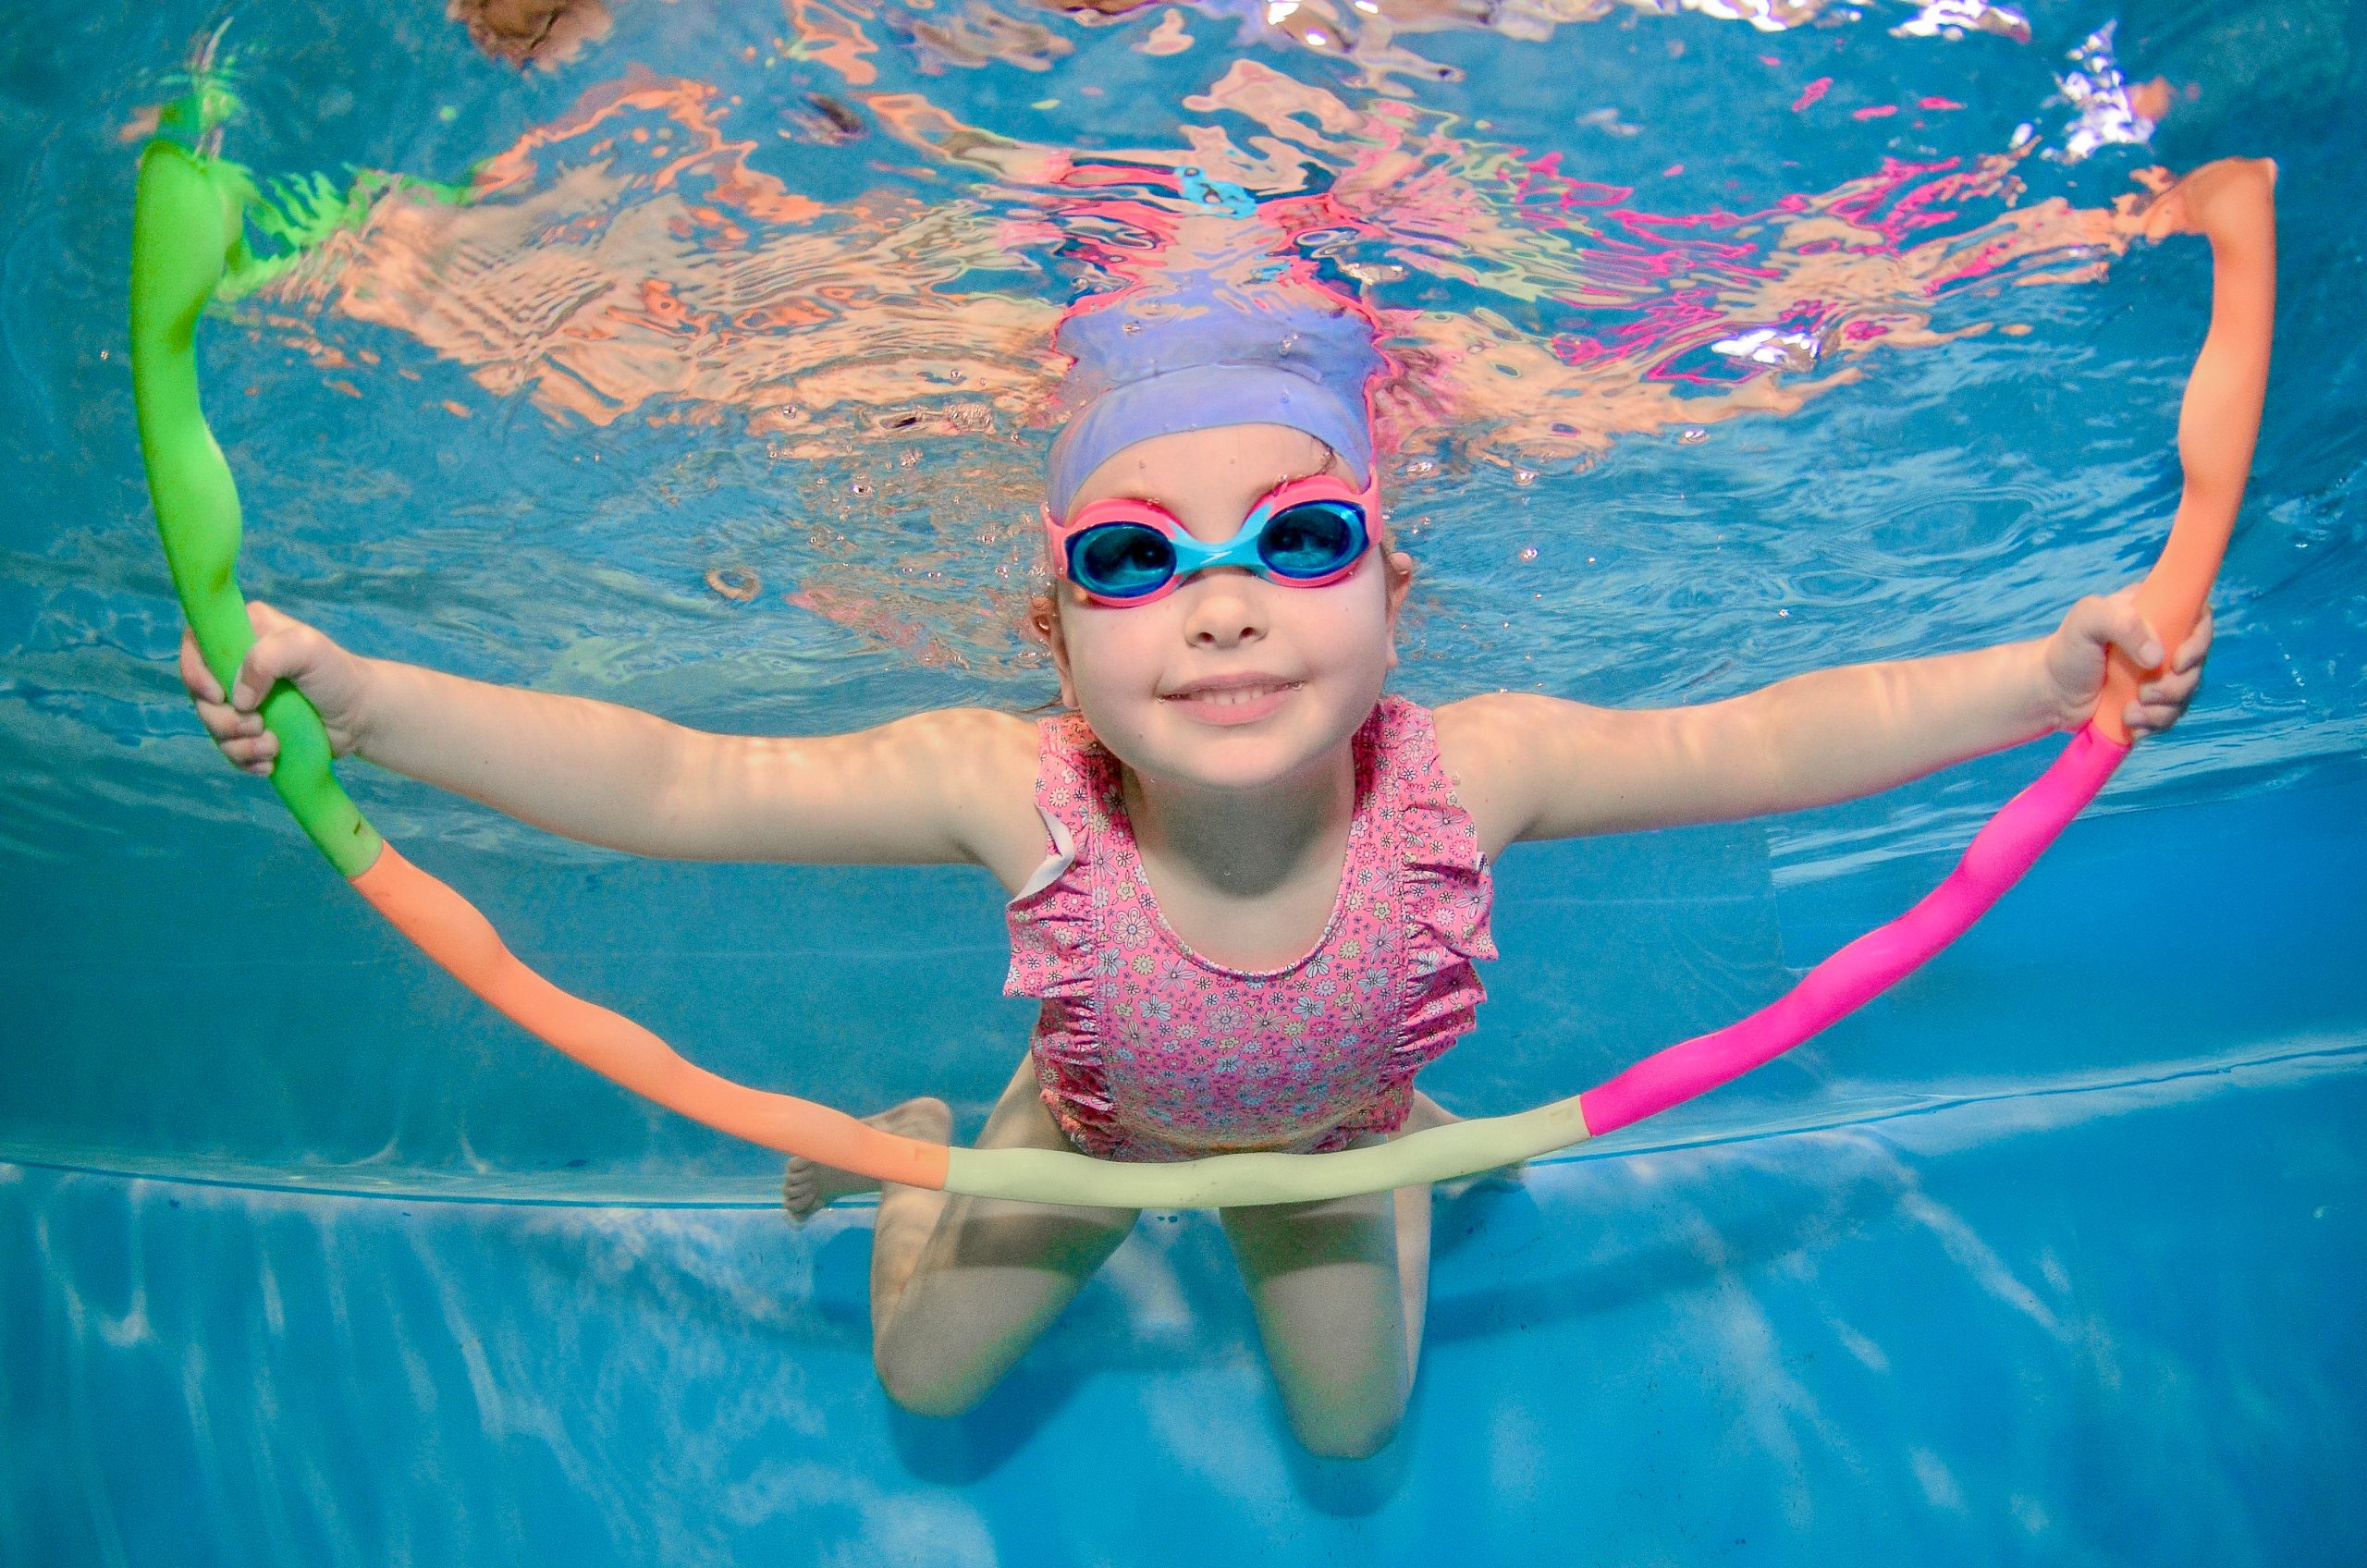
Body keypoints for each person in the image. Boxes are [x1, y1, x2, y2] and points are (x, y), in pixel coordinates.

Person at [178, 256, 2210, 1460]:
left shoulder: (1472, 771)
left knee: (1346, 1435)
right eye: (1134, 558)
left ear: (1393, 589)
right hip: (1081, 1132)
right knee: (916, 1369)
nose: (1219, 603)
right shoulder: (1010, 783)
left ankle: (1428, 1137)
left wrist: (2045, 670)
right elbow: (680, 782)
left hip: (1342, 1140)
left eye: (1296, 538)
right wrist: (363, 700)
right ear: (1055, 634)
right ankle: (923, 1129)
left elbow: (1763, 737)